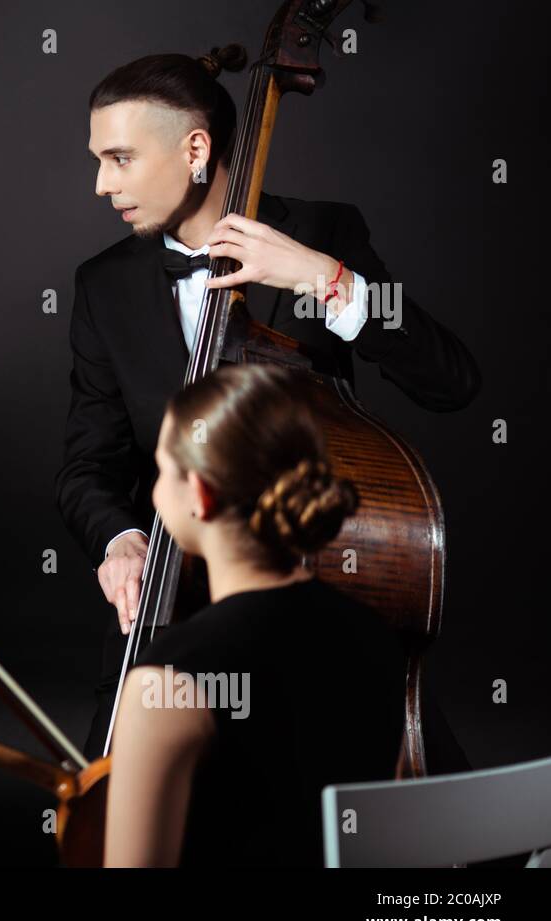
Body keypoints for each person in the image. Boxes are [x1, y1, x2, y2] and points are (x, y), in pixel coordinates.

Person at [55, 46, 480, 759]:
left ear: (196, 148)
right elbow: (86, 467)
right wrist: (119, 538)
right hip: (169, 612)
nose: (101, 184)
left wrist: (326, 278)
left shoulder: (324, 233)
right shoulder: (104, 285)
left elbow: (451, 379)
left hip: (325, 602)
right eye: (99, 159)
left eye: (119, 158)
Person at [103, 362, 403, 867]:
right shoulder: (377, 636)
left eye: (161, 471)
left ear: (198, 495)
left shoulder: (167, 681)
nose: (154, 492)